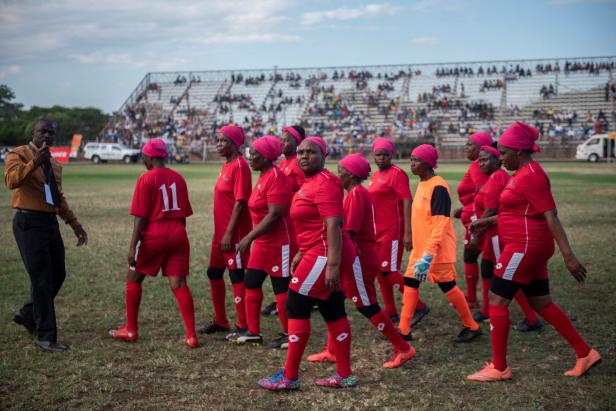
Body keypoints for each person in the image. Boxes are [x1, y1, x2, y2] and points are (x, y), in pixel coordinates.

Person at [467, 123, 600, 382]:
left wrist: (568, 255)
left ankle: (499, 367)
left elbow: (550, 216)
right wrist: (488, 222)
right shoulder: (521, 173)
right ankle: (585, 353)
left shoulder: (532, 175)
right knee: (541, 302)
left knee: (496, 299)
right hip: (529, 246)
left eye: (504, 153)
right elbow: (520, 212)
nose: (501, 158)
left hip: (524, 247)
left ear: (519, 151)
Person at [257, 137, 357, 391]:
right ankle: (344, 375)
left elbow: (333, 224)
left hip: (324, 254)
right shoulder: (311, 182)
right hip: (318, 251)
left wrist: (332, 265)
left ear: (324, 156)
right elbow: (313, 223)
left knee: (296, 303)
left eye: (311, 152)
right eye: (300, 152)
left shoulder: (324, 183)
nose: (303, 156)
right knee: (331, 307)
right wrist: (302, 250)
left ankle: (290, 377)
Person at [306, 153, 416, 368]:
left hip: (359, 259)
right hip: (354, 256)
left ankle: (403, 348)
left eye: (341, 171)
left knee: (367, 306)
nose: (338, 176)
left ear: (351, 174)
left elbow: (349, 233)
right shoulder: (354, 193)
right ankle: (332, 350)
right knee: (332, 299)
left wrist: (335, 262)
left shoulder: (356, 195)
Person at [5, 119, 88, 353]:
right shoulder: (18, 154)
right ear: (33, 133)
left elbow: (57, 198)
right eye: (42, 131)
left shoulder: (55, 165)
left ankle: (28, 312)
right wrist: (34, 163)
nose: (46, 136)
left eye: (51, 133)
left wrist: (74, 224)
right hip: (28, 222)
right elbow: (11, 181)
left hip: (49, 222)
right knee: (41, 279)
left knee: (58, 274)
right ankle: (45, 336)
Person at [109, 139, 197, 347]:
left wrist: (133, 247)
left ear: (150, 157)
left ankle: (130, 329)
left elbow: (140, 217)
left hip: (154, 232)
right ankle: (191, 335)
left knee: (133, 278)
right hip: (178, 231)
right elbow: (184, 214)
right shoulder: (178, 177)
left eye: (144, 157)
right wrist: (178, 234)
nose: (143, 160)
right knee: (180, 284)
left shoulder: (146, 179)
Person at [399, 144, 482, 343]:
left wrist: (428, 255)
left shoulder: (438, 186)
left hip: (436, 252)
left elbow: (441, 224)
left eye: (416, 160)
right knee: (410, 282)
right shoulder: (422, 183)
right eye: (411, 159)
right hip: (421, 250)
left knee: (448, 287)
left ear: (428, 164)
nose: (412, 164)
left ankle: (472, 326)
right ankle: (403, 330)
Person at [226, 136, 296, 349]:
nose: (250, 157)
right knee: (251, 282)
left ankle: (289, 334)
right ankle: (253, 332)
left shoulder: (276, 176)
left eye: (254, 153)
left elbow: (275, 214)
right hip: (263, 243)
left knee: (281, 288)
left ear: (266, 156)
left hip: (279, 243)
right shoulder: (264, 175)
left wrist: (249, 236)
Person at [470, 146, 543, 332]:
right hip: (492, 233)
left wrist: (476, 235)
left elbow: (492, 209)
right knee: (487, 268)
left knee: (506, 279)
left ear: (497, 161)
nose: (481, 163)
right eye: (480, 160)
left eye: (486, 160)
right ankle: (487, 310)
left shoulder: (497, 177)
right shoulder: (492, 177)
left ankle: (532, 318)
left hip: (497, 233)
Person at [367, 137, 429, 325]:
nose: (382, 158)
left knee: (389, 272)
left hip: (392, 230)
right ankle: (391, 311)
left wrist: (408, 233)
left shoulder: (397, 174)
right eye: (378, 154)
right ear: (374, 155)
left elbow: (407, 201)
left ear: (391, 155)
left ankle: (419, 305)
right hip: (377, 230)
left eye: (386, 155)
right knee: (380, 272)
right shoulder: (376, 176)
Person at [198, 125, 252, 335]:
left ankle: (243, 324)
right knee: (213, 273)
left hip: (234, 233)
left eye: (224, 140)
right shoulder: (227, 164)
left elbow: (240, 203)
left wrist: (230, 233)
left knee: (237, 276)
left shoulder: (240, 166)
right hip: (220, 233)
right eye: (218, 140)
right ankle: (221, 320)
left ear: (235, 143)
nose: (219, 144)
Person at [261, 125, 305, 317]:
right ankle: (287, 299)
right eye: (281, 139)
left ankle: (296, 300)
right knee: (288, 263)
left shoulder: (298, 163)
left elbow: (307, 189)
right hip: (286, 218)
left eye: (286, 140)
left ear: (297, 143)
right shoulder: (283, 163)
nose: (282, 143)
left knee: (293, 262)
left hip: (297, 220)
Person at [454, 132, 492, 309]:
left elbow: (483, 192)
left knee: (480, 259)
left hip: (480, 220)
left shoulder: (479, 166)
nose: (466, 147)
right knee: (474, 257)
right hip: (476, 217)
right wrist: (465, 208)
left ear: (481, 148)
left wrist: (472, 213)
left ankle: (476, 301)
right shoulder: (479, 166)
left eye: (470, 144)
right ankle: (473, 299)